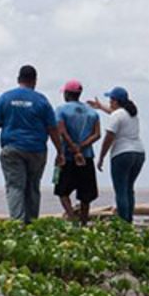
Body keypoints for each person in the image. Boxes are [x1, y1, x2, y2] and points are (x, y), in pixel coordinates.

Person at [0, 64, 75, 223]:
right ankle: (31, 224)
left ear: (18, 80)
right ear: (35, 81)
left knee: (15, 187)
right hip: (37, 150)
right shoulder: (42, 100)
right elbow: (52, 129)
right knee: (33, 188)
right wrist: (60, 151)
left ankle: (17, 224)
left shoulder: (5, 98)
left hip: (12, 149)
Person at [89, 86, 145, 224]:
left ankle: (123, 222)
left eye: (110, 100)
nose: (109, 102)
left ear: (115, 101)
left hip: (122, 154)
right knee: (129, 189)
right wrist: (101, 107)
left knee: (120, 189)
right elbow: (115, 114)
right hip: (139, 153)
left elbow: (109, 137)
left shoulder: (117, 115)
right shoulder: (131, 113)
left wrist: (101, 157)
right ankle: (129, 219)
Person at [53, 80, 102, 224]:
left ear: (67, 94)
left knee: (62, 191)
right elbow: (97, 134)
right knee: (86, 194)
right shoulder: (92, 112)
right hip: (86, 157)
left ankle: (72, 218)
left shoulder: (61, 110)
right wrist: (81, 147)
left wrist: (73, 148)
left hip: (67, 157)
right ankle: (84, 222)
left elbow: (61, 131)